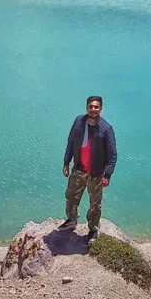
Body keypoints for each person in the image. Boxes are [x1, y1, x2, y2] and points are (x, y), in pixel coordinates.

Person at [59, 96, 117, 244]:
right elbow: (71, 142)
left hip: (96, 174)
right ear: (87, 107)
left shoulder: (106, 129)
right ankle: (71, 220)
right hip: (79, 169)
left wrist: (107, 175)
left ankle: (93, 230)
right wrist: (66, 162)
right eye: (91, 107)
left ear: (100, 109)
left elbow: (112, 155)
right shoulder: (79, 122)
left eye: (96, 107)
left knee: (95, 204)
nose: (93, 110)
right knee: (71, 196)